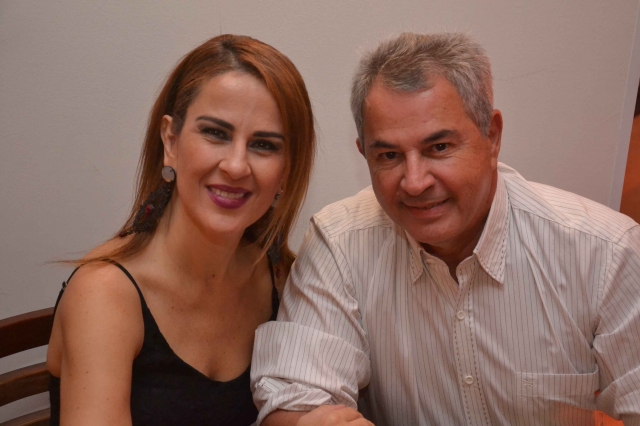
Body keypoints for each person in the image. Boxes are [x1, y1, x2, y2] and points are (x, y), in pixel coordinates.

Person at [251, 32, 640, 425]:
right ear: (364, 154)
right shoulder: (339, 243)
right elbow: (293, 402)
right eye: (389, 155)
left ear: (492, 136)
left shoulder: (606, 252)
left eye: (439, 148)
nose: (415, 182)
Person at [46, 34, 320, 425]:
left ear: (286, 172)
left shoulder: (282, 277)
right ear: (171, 141)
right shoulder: (103, 295)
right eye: (216, 133)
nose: (236, 166)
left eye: (263, 145)